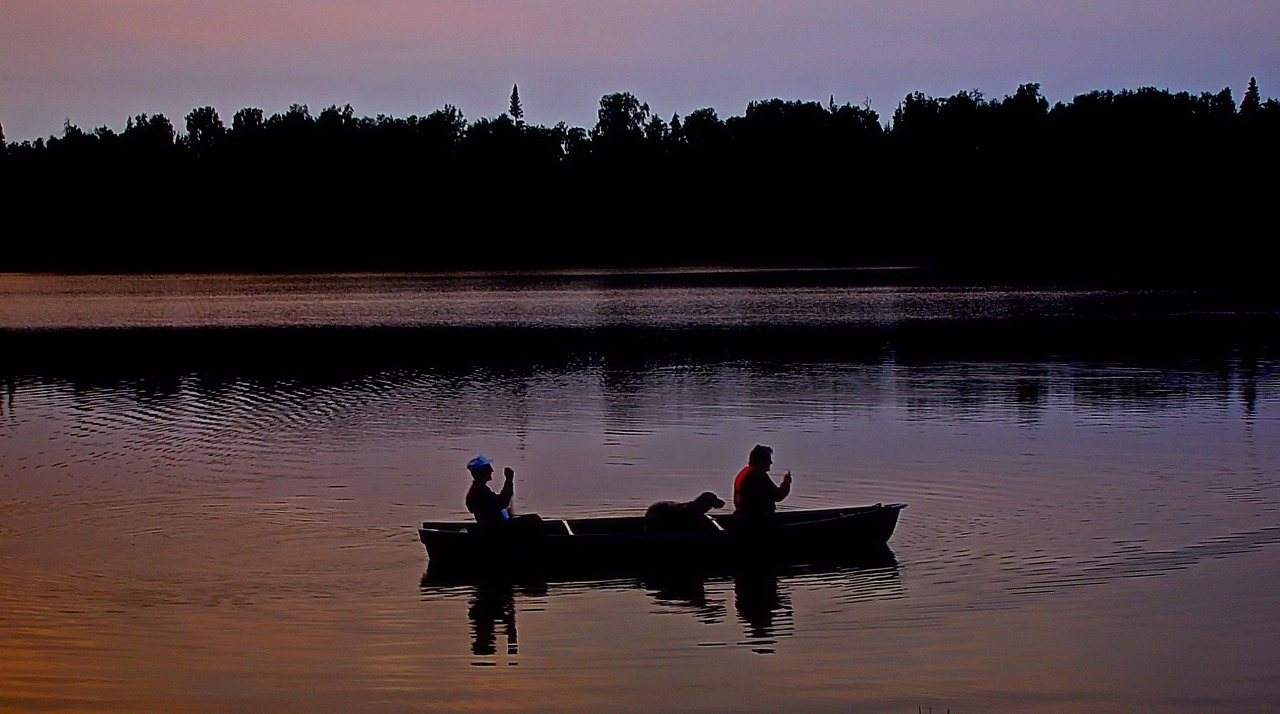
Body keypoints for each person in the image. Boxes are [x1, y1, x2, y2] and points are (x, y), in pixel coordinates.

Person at [465, 454, 543, 533]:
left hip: (496, 527)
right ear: (482, 472)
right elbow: (503, 502)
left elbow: (498, 504)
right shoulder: (480, 492)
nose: (492, 470)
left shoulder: (479, 490)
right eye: (489, 468)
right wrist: (509, 480)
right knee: (534, 519)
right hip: (497, 530)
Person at [732, 444, 792, 530]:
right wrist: (786, 482)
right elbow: (778, 496)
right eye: (768, 459)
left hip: (742, 518)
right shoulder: (758, 475)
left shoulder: (745, 473)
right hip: (757, 522)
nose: (771, 462)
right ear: (761, 460)